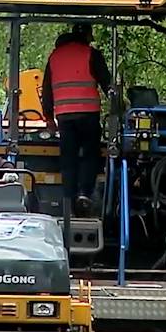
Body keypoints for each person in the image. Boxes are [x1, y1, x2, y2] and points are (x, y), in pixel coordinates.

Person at [41, 23, 111, 217]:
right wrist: (119, 109)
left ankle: (68, 199)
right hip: (88, 114)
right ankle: (84, 193)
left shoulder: (55, 57)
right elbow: (107, 83)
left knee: (68, 157)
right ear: (87, 35)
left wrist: (49, 118)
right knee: (90, 154)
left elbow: (47, 91)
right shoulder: (91, 54)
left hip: (64, 116)